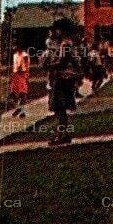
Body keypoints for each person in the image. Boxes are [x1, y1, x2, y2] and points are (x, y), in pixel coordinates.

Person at [40, 18, 84, 146]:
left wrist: (47, 64)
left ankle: (61, 134)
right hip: (64, 78)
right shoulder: (66, 43)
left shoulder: (65, 44)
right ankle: (63, 134)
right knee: (61, 109)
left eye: (58, 29)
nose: (56, 32)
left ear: (62, 30)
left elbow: (61, 62)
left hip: (62, 78)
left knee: (59, 107)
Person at [9, 46, 31, 116]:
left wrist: (27, 77)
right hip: (15, 75)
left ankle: (23, 111)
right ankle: (18, 108)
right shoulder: (15, 55)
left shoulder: (25, 55)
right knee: (12, 93)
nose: (14, 47)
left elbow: (27, 67)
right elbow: (14, 66)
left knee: (22, 93)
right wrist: (11, 76)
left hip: (22, 74)